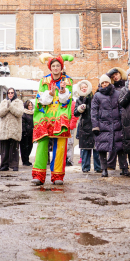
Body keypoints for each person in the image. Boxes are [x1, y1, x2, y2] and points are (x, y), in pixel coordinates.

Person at [32, 54, 77, 185]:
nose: (56, 68)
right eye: (53, 66)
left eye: (58, 66)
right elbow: (40, 99)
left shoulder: (68, 81)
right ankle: (38, 175)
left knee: (60, 147)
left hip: (60, 118)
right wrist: (50, 94)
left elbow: (66, 101)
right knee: (42, 146)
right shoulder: (44, 80)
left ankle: (57, 176)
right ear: (50, 68)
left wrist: (62, 91)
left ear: (61, 67)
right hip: (45, 118)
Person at [91, 74, 123, 177]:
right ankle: (104, 169)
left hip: (117, 123)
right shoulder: (97, 95)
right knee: (102, 148)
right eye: (103, 83)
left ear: (109, 82)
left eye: (106, 82)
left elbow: (121, 108)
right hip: (102, 125)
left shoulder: (117, 93)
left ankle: (124, 168)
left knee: (120, 147)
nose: (105, 84)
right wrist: (95, 126)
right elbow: (94, 111)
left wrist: (123, 122)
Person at [107, 67, 130, 176]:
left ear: (121, 73)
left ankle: (125, 166)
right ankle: (111, 163)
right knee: (114, 140)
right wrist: (107, 76)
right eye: (113, 76)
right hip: (115, 116)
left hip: (127, 114)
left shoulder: (127, 84)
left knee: (124, 142)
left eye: (116, 74)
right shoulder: (111, 87)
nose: (115, 77)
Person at [74, 80, 100, 173]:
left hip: (94, 125)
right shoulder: (79, 100)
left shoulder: (94, 98)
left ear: (88, 87)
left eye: (85, 87)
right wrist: (79, 109)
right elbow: (75, 113)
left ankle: (98, 167)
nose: (84, 89)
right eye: (82, 88)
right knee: (85, 149)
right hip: (84, 126)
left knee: (96, 147)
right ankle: (85, 167)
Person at [0, 87, 24, 171]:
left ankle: (14, 165)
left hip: (14, 129)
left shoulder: (19, 102)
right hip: (4, 129)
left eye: (12, 93)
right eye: (9, 93)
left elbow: (19, 113)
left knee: (14, 148)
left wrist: (11, 107)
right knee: (4, 149)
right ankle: (4, 165)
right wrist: (7, 107)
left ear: (14, 93)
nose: (10, 94)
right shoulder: (3, 102)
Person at [21, 100, 35, 166]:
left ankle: (27, 159)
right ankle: (25, 160)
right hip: (25, 133)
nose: (30, 106)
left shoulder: (33, 113)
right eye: (29, 105)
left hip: (31, 133)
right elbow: (23, 123)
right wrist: (24, 131)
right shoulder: (24, 113)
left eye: (31, 105)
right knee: (24, 148)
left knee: (30, 147)